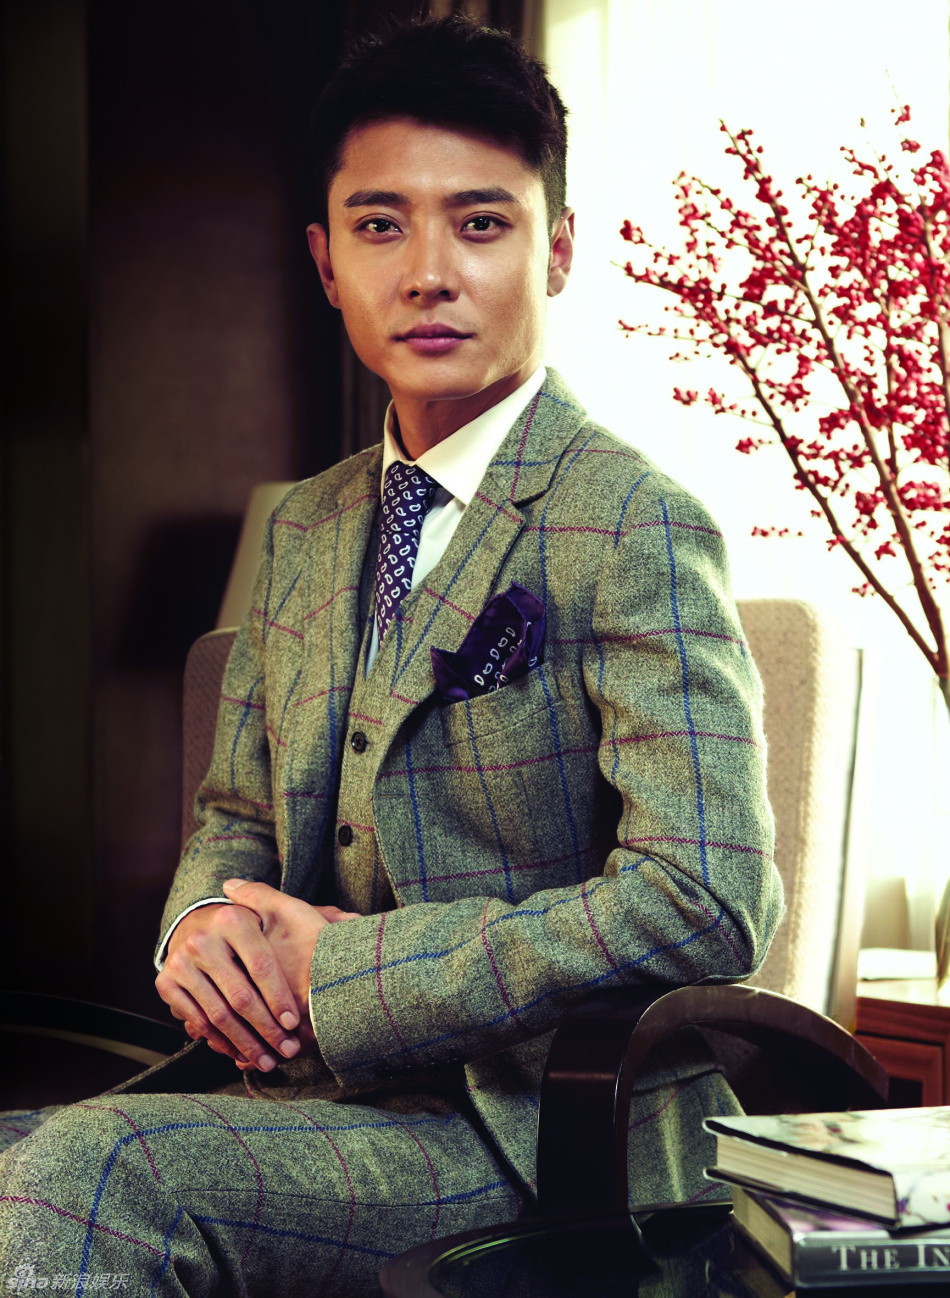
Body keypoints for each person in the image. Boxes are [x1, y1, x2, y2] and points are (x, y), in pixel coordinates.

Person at [0, 16, 781, 1296]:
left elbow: (706, 895)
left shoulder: (630, 521)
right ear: (324, 260)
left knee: (87, 1175)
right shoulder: (307, 526)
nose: (427, 273)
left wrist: (353, 971)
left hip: (526, 1130)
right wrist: (202, 922)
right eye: (379, 225)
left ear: (557, 249)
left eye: (479, 223)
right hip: (300, 1101)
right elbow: (236, 814)